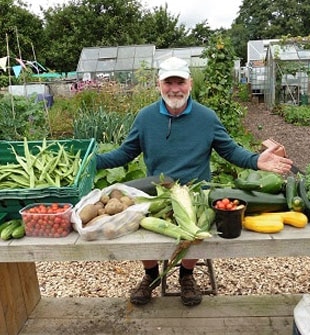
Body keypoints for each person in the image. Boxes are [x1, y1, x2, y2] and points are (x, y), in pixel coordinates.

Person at [96, 56, 293, 307]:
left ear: (190, 84)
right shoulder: (145, 118)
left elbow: (230, 151)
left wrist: (256, 161)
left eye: (180, 82)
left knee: (199, 226)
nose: (174, 88)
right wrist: (93, 161)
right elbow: (125, 153)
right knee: (138, 220)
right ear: (159, 85)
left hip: (196, 189)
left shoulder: (206, 118)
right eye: (169, 82)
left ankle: (186, 275)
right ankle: (151, 275)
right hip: (158, 189)